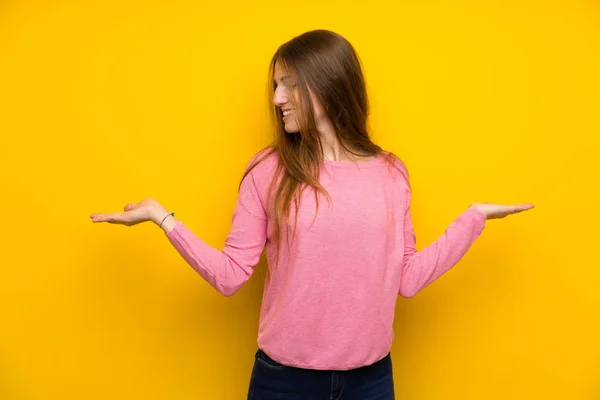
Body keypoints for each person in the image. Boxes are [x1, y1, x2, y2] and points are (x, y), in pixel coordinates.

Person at [90, 29, 534, 400]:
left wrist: (472, 219)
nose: (277, 98)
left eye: (288, 83)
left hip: (372, 381)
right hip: (285, 382)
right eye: (275, 85)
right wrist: (161, 217)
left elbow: (408, 278)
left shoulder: (390, 173)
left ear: (326, 84)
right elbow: (229, 277)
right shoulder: (269, 171)